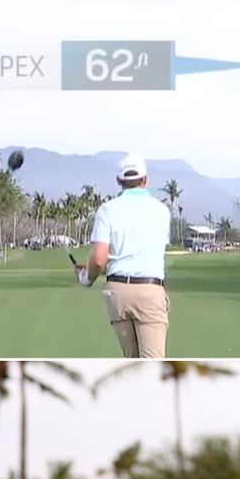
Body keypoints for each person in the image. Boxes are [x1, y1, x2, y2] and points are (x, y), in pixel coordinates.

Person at [76, 153, 173, 358]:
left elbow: (99, 259)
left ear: (119, 181)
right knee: (153, 362)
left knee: (131, 359)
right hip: (150, 289)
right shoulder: (162, 211)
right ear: (145, 180)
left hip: (117, 293)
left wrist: (86, 278)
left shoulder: (107, 210)